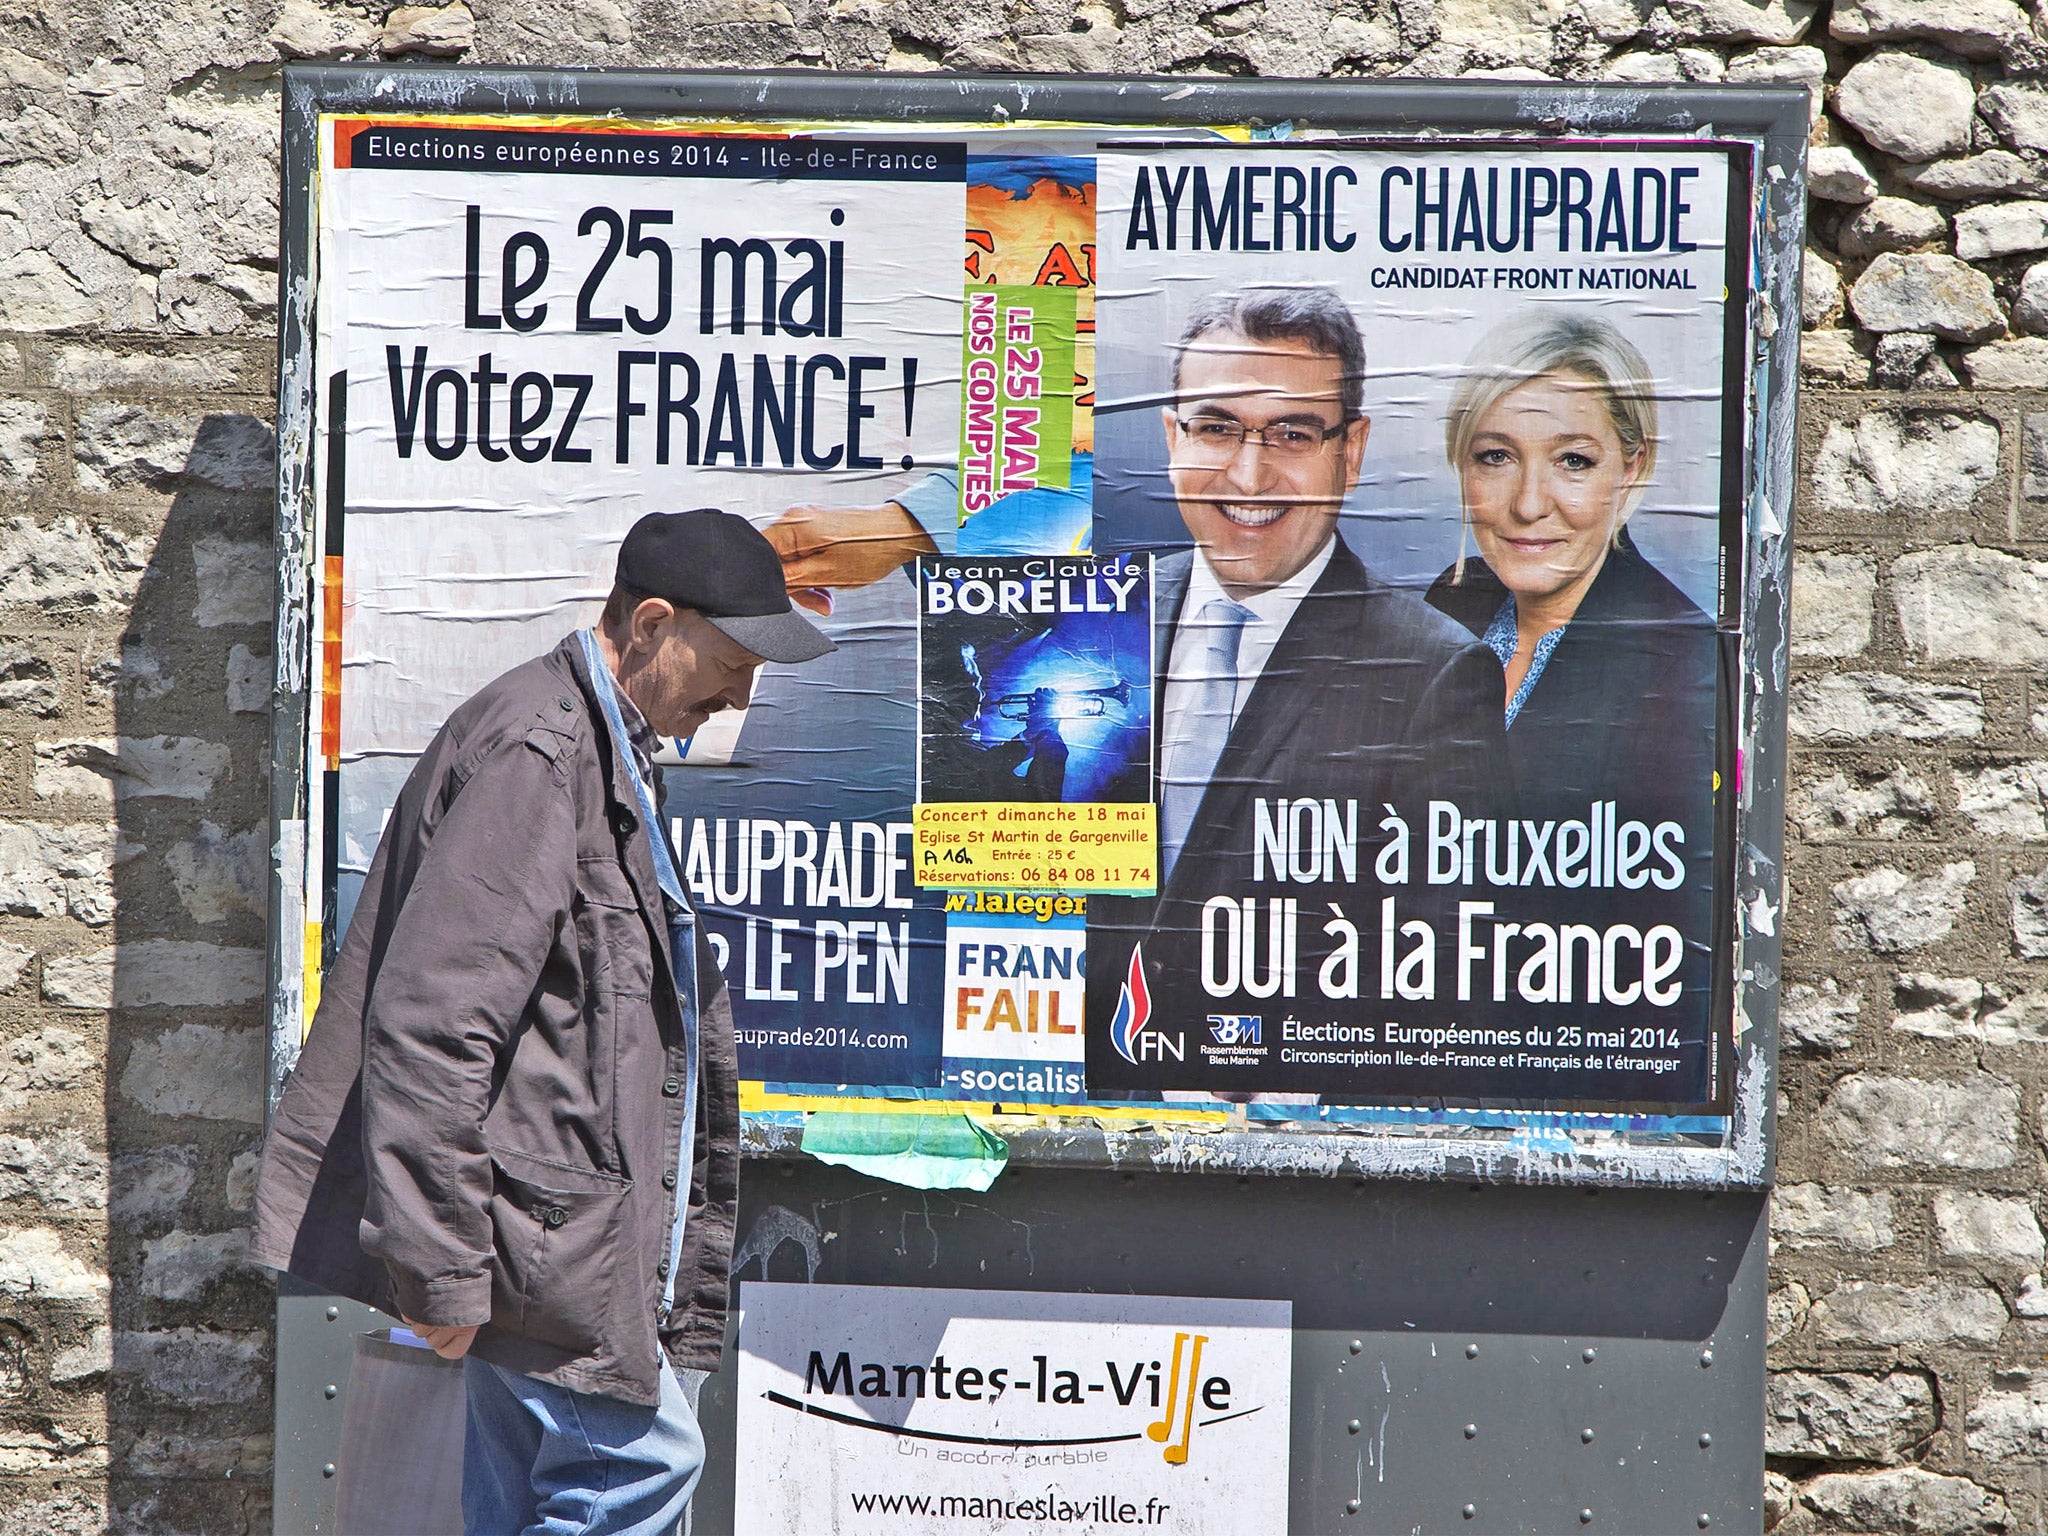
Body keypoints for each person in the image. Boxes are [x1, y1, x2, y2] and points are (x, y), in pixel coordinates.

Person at [250, 511, 835, 1536]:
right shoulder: (543, 750)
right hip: (549, 1259)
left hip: (554, 1245)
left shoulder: (601, 742)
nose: (742, 692)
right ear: (651, 623)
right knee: (639, 1469)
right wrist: (438, 1268)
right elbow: (432, 1026)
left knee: (538, 1495)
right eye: (733, 659)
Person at [1084, 284, 1502, 1087]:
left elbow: (1449, 973)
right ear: (1172, 436)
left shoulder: (1435, 672)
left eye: (1292, 433)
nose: (1248, 473)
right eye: (1216, 428)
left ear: (1350, 451)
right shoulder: (1096, 622)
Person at [1424, 312, 1718, 1057]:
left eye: (1573, 462)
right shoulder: (1450, 604)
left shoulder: (1677, 661)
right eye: (1495, 456)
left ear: (1633, 469)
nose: (1528, 503)